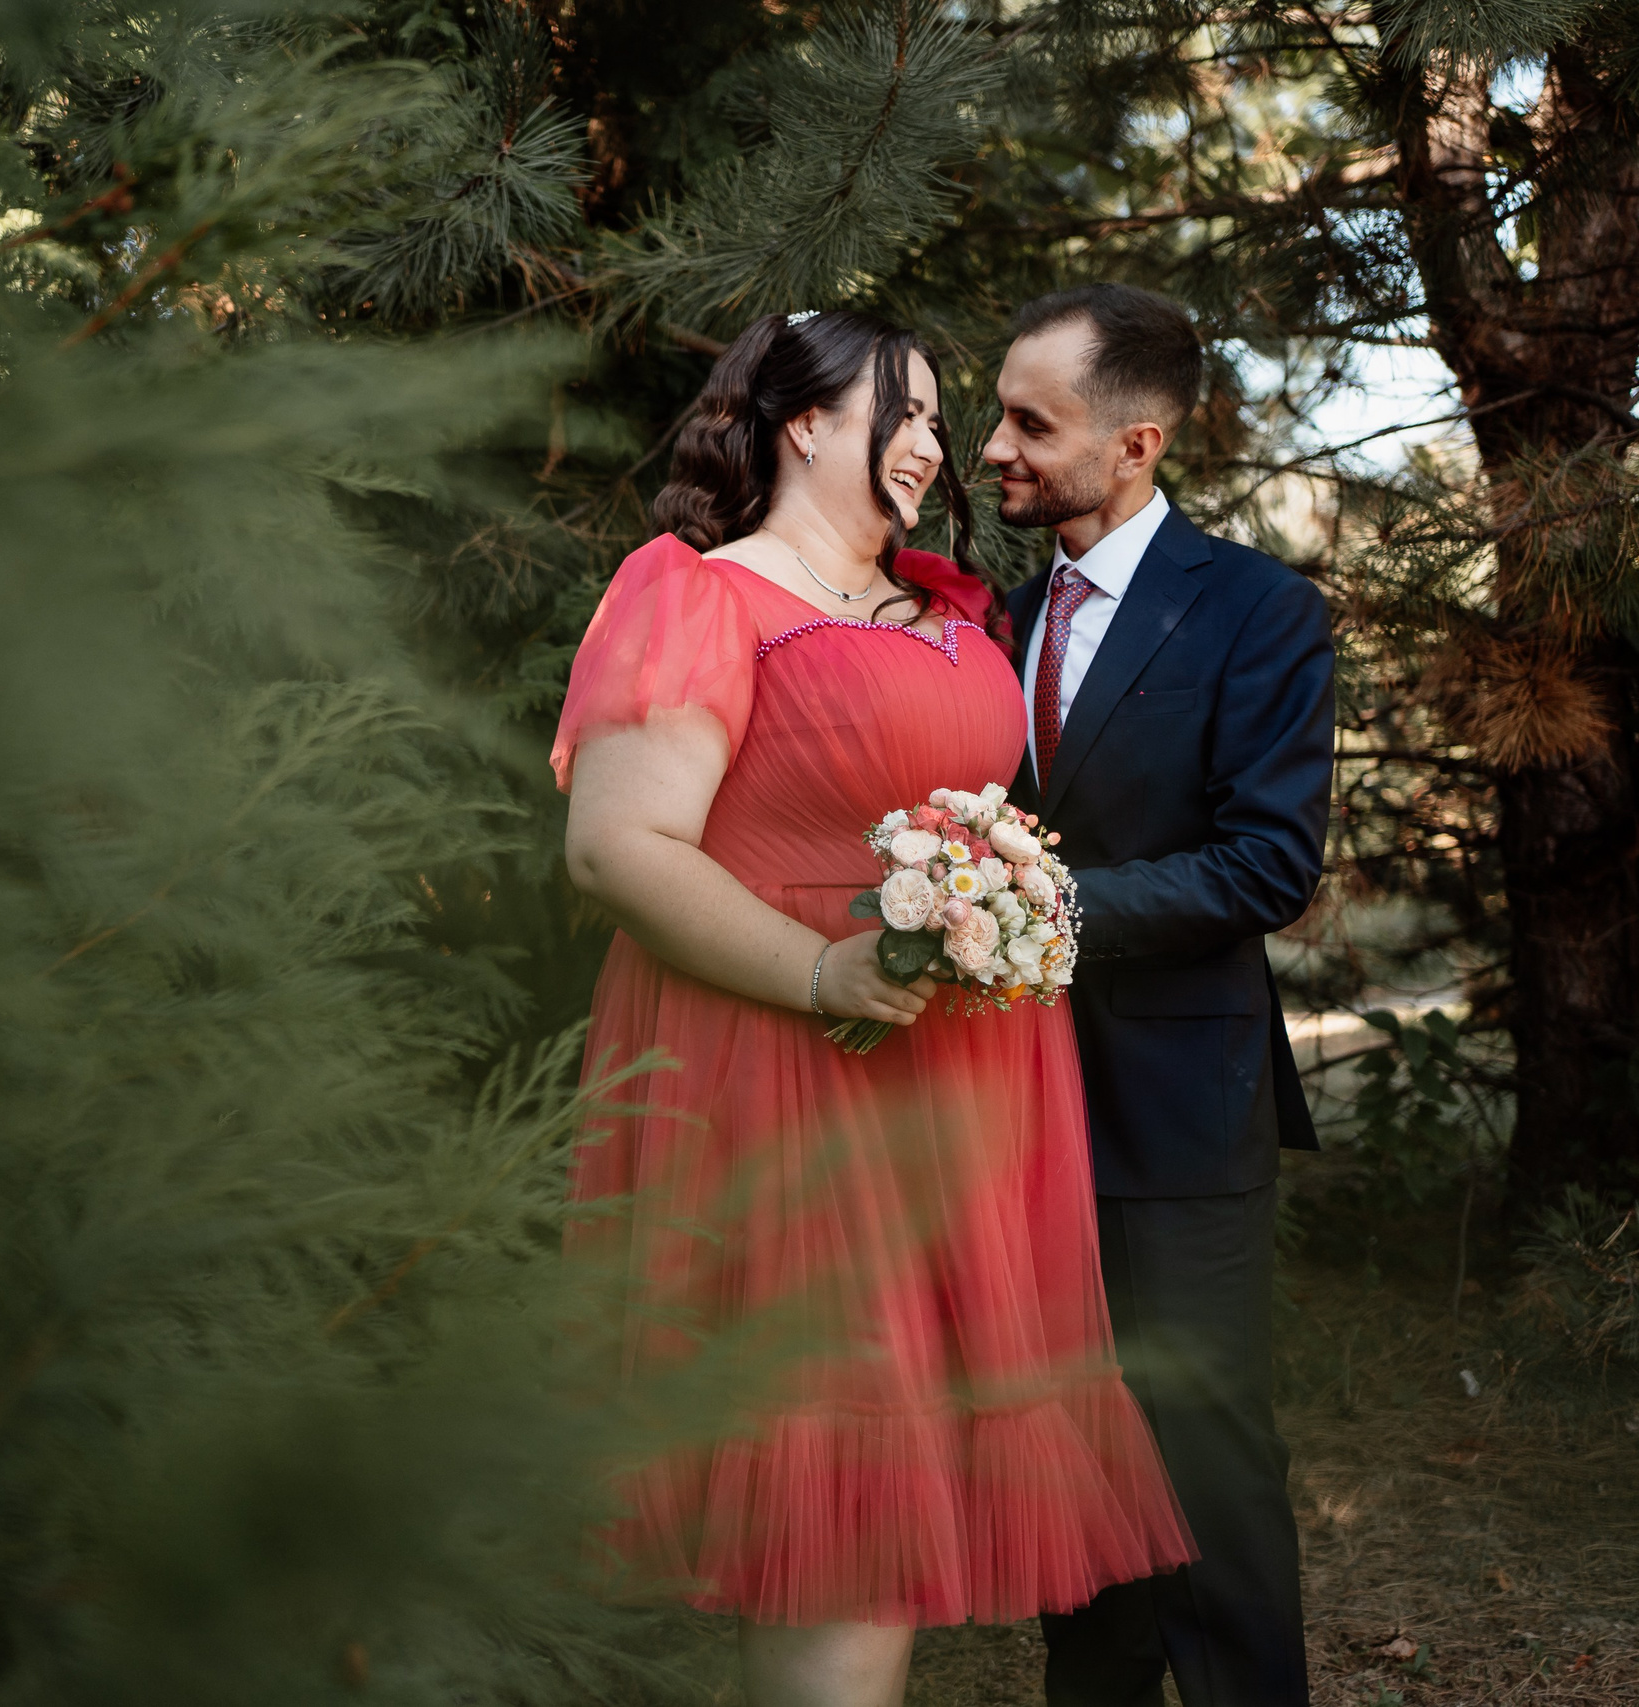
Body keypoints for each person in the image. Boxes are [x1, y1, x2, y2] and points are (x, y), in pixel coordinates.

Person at [553, 308, 1193, 1707]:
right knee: (831, 1471)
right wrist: (821, 972)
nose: (933, 444)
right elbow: (616, 843)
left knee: (898, 1478)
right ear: (803, 424)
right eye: (904, 410)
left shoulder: (953, 606)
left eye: (938, 419)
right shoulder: (698, 593)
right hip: (783, 1064)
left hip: (960, 1088)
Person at [984, 283, 1334, 1707]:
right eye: (995, 411)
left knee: (1203, 1454)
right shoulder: (992, 619)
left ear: (1136, 442)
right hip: (1009, 1108)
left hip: (1183, 1111)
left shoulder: (1258, 609)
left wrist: (1040, 915)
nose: (991, 446)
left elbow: (1267, 864)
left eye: (1029, 422)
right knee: (1067, 1457)